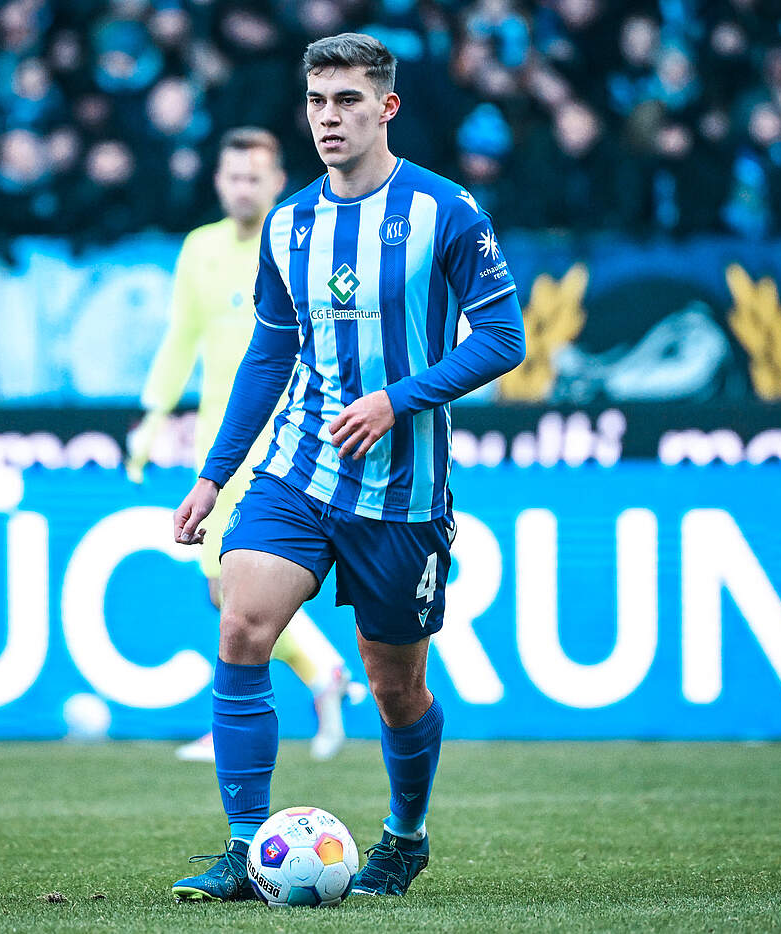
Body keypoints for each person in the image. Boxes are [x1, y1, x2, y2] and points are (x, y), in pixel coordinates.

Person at [168, 33, 525, 901]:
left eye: (348, 101)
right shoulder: (290, 224)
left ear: (386, 107)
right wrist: (215, 475)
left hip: (402, 492)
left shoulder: (446, 211)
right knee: (241, 626)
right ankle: (247, 848)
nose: (328, 118)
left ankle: (404, 838)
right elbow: (268, 356)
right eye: (317, 102)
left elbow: (503, 338)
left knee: (396, 688)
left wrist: (397, 400)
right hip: (298, 471)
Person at [128, 127, 357, 763]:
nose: (243, 188)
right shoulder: (200, 248)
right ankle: (322, 671)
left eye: (254, 177)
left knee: (239, 583)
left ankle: (247, 716)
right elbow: (182, 337)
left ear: (278, 181)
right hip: (219, 442)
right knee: (224, 588)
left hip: (288, 436)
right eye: (233, 177)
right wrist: (153, 415)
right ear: (218, 182)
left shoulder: (300, 241)